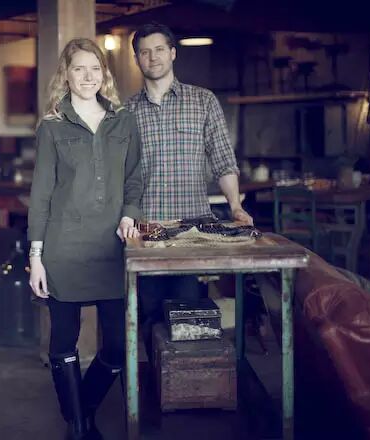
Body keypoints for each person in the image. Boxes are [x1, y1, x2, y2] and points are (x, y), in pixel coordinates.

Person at [27, 38, 143, 440]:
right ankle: (79, 427)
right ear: (66, 74)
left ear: (104, 74)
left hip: (112, 249)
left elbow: (134, 178)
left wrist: (129, 214)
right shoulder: (52, 127)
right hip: (64, 248)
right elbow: (41, 195)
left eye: (95, 68)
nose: (88, 76)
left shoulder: (124, 121)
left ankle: (83, 408)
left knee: (117, 346)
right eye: (79, 68)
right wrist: (36, 256)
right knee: (64, 340)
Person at [125, 23, 254, 361]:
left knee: (188, 312)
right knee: (149, 314)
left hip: (193, 231)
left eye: (159, 49)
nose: (152, 57)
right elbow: (119, 173)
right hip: (146, 232)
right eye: (144, 52)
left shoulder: (203, 101)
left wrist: (236, 207)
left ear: (172, 53)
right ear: (137, 59)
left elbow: (223, 160)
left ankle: (191, 380)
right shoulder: (127, 112)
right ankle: (160, 381)